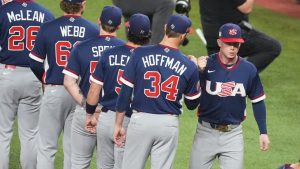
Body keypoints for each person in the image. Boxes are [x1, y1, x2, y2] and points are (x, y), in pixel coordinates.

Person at [113, 14, 201, 169]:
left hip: (140, 120)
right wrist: (197, 70)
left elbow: (125, 92)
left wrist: (118, 124)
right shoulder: (189, 65)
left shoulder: (139, 53)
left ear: (165, 28)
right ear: (183, 36)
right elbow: (192, 104)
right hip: (167, 125)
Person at [189, 23, 270, 169]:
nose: (232, 47)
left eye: (236, 44)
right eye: (228, 43)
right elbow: (191, 105)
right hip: (205, 132)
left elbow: (258, 101)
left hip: (233, 135)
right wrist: (197, 73)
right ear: (220, 42)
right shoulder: (206, 65)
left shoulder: (248, 69)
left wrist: (263, 132)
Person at [28, 0, 99, 168]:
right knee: (72, 148)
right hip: (79, 94)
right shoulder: (93, 30)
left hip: (54, 92)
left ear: (62, 4)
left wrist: (44, 80)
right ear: (83, 4)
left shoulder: (47, 27)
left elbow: (34, 62)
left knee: (46, 147)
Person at [85, 13, 152, 169]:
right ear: (149, 34)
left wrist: (89, 114)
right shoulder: (149, 59)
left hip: (106, 118)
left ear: (128, 30)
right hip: (132, 121)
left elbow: (94, 89)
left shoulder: (109, 54)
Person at [63, 5, 125, 169]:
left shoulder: (81, 47)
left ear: (99, 21)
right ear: (119, 25)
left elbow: (68, 82)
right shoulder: (128, 51)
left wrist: (86, 104)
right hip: (114, 115)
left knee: (78, 163)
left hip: (86, 113)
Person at [0, 1, 54, 169]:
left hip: (6, 74)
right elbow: (50, 52)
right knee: (30, 134)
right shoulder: (46, 14)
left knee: (2, 133)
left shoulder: (3, 11)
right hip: (34, 76)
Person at [199, 0, 281, 72]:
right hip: (231, 34)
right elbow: (246, 8)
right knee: (272, 47)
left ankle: (226, 74)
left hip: (210, 34)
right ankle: (239, 76)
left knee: (220, 68)